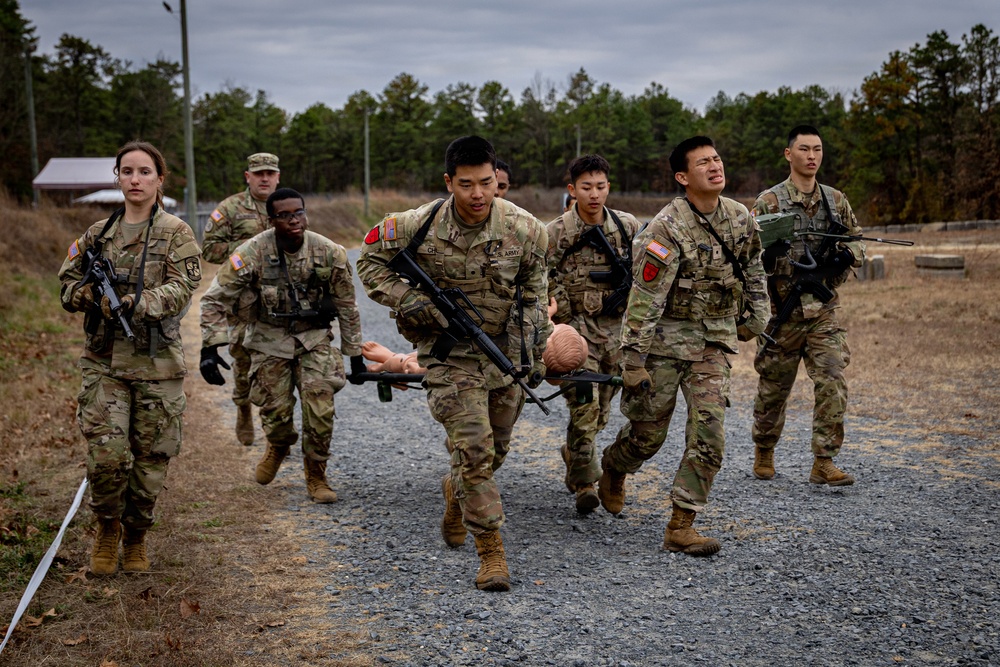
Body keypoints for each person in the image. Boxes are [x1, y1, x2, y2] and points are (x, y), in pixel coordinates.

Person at [356, 136, 550, 592]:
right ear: (449, 183)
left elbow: (535, 296)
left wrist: (529, 356)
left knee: (495, 449)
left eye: (486, 183)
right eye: (467, 185)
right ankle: (492, 555)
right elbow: (369, 264)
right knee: (475, 450)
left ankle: (455, 492)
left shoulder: (525, 229)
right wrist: (412, 300)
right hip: (447, 356)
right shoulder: (412, 226)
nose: (479, 194)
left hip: (501, 354)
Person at [597, 136, 768, 556]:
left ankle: (681, 523)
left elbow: (754, 269)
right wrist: (632, 360)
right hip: (663, 344)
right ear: (682, 177)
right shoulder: (665, 228)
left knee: (709, 430)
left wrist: (758, 315)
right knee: (647, 437)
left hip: (712, 341)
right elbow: (645, 298)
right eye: (703, 163)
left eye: (717, 159)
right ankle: (615, 466)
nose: (714, 167)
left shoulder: (741, 218)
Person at [58, 140, 202, 575]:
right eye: (127, 171)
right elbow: (66, 284)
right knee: (107, 457)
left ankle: (136, 536)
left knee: (151, 460)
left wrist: (137, 303)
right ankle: (107, 530)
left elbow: (182, 289)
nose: (135, 179)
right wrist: (88, 296)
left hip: (157, 364)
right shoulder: (97, 234)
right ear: (117, 177)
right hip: (103, 362)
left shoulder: (176, 232)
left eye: (144, 172)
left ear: (160, 179)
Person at [199, 188, 363, 504]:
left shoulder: (328, 252)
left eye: (298, 212)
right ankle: (278, 444)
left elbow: (347, 305)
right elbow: (213, 298)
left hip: (313, 339)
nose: (294, 220)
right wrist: (210, 348)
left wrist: (353, 355)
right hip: (267, 339)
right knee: (276, 410)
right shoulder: (252, 252)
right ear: (272, 220)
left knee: (320, 407)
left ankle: (316, 476)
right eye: (285, 215)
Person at [750, 125, 865, 486]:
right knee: (774, 388)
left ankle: (824, 460)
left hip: (823, 311)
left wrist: (847, 254)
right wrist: (770, 254)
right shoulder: (769, 202)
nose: (812, 156)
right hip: (783, 312)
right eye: (804, 149)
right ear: (789, 154)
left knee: (832, 378)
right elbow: (749, 258)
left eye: (817, 149)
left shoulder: (835, 199)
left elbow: (857, 239)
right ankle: (765, 449)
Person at [546, 154, 641, 513]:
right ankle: (585, 482)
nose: (594, 194)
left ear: (609, 188)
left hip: (617, 333)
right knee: (585, 408)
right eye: (586, 187)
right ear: (572, 190)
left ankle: (574, 453)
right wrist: (562, 318)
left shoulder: (627, 226)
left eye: (600, 187)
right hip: (577, 333)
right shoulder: (556, 232)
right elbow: (540, 275)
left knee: (602, 412)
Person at [201, 152, 281, 446]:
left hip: (279, 296)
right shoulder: (231, 208)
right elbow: (209, 249)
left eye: (269, 173)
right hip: (242, 297)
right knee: (242, 357)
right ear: (248, 177)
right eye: (258, 173)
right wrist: (247, 249)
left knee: (277, 360)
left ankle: (275, 425)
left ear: (277, 177)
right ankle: (243, 407)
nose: (264, 178)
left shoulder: (285, 205)